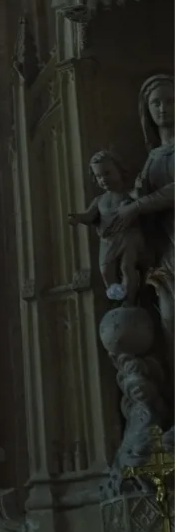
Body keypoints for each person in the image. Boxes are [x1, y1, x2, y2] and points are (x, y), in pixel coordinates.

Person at [106, 75, 174, 363]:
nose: (163, 109)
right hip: (163, 251)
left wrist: (137, 207)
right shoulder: (154, 156)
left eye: (170, 101)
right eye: (155, 103)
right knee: (169, 318)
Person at [68, 151, 150, 303]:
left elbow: (140, 201)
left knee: (127, 267)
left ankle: (130, 300)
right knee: (106, 271)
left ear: (120, 171)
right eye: (99, 176)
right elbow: (89, 216)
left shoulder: (128, 194)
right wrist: (78, 218)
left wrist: (138, 189)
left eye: (107, 173)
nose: (103, 179)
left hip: (128, 236)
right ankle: (118, 298)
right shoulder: (100, 200)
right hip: (108, 241)